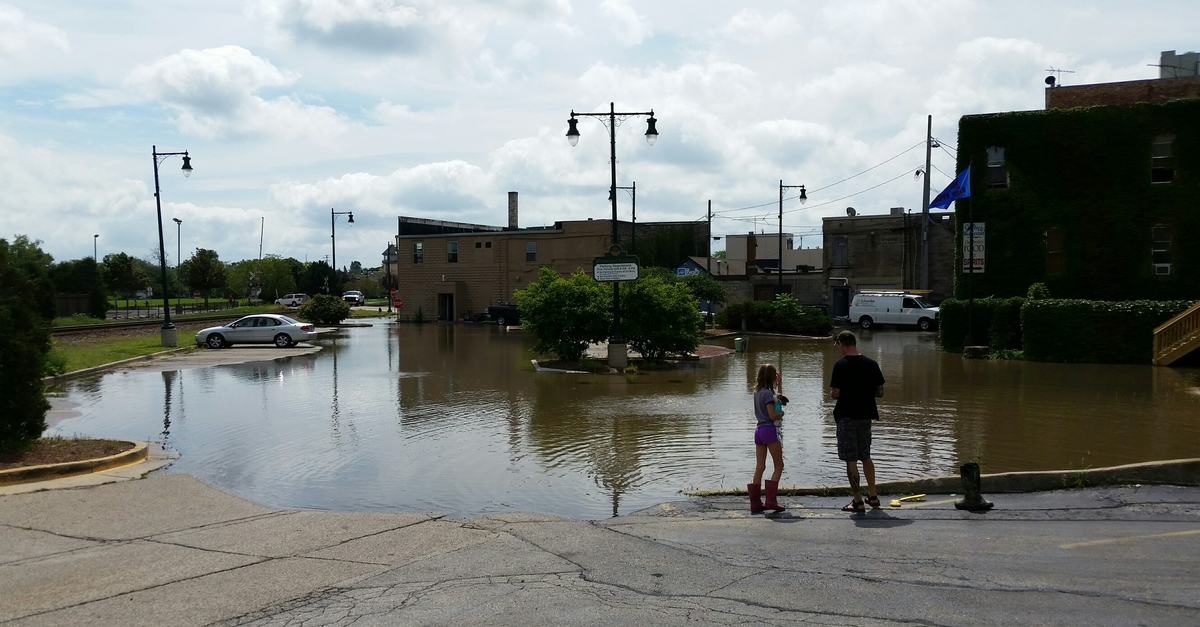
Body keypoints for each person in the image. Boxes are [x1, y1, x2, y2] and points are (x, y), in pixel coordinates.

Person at [829, 330, 885, 513]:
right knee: (866, 456)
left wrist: (838, 393)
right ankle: (874, 496)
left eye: (838, 345)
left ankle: (858, 501)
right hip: (865, 416)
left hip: (846, 416)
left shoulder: (840, 366)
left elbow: (835, 393)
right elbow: (880, 392)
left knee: (851, 460)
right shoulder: (871, 364)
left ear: (842, 344)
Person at [748, 364, 788, 513]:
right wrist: (781, 415)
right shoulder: (767, 395)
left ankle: (755, 502)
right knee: (779, 465)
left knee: (760, 467)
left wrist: (780, 385)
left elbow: (779, 401)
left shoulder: (757, 392)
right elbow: (773, 414)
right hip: (769, 429)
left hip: (758, 430)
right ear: (771, 377)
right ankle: (771, 500)